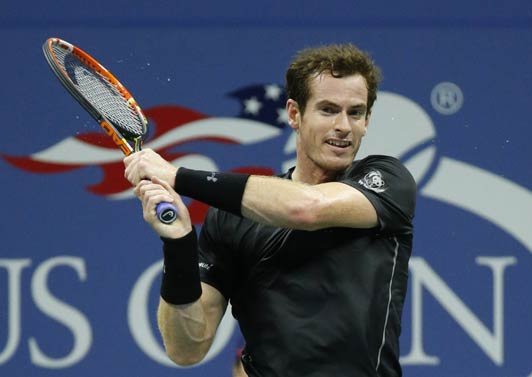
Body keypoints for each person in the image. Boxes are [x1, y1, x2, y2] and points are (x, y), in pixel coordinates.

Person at [123, 43, 416, 377]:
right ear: (294, 113)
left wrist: (176, 176)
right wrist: (178, 245)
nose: (344, 126)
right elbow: (186, 348)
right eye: (328, 110)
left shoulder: (387, 180)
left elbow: (307, 208)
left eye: (355, 112)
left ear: (367, 120)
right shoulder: (230, 218)